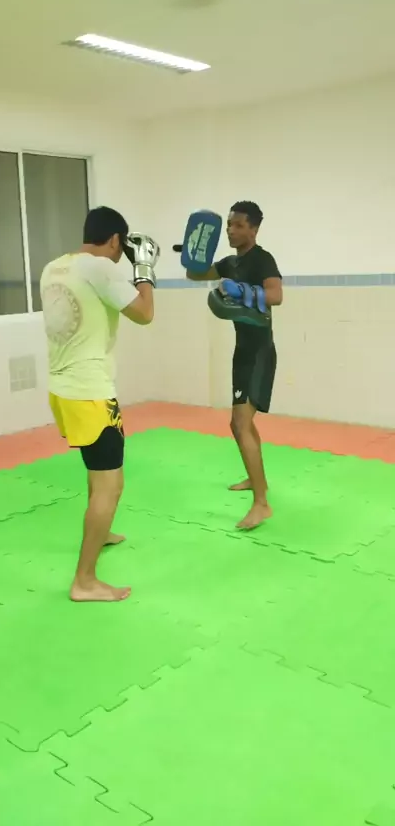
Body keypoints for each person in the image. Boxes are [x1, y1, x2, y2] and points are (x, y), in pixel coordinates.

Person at [40, 206, 158, 602]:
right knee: (112, 484)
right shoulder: (101, 268)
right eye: (120, 249)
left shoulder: (54, 267)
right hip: (90, 393)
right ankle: (85, 581)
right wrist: (144, 269)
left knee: (96, 471)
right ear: (115, 241)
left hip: (61, 389)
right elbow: (144, 313)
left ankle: (101, 532)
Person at [186, 201, 283, 529]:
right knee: (240, 424)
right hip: (243, 351)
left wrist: (241, 290)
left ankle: (261, 504)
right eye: (229, 224)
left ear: (254, 229)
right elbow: (195, 274)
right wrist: (195, 250)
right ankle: (257, 481)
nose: (231, 230)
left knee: (240, 423)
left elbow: (276, 295)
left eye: (238, 225)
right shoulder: (230, 262)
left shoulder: (262, 259)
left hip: (260, 351)